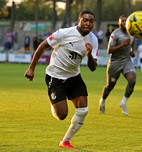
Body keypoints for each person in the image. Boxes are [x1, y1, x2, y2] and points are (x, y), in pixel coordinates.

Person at [24, 10, 98, 149]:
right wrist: (31, 68)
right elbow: (43, 45)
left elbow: (93, 67)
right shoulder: (64, 33)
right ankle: (54, 102)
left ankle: (65, 141)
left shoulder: (93, 40)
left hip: (74, 76)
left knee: (83, 110)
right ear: (79, 21)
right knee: (62, 115)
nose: (88, 23)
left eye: (91, 21)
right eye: (85, 20)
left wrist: (89, 55)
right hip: (55, 76)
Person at [99, 15, 136, 115]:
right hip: (115, 63)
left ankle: (123, 103)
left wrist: (132, 52)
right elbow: (109, 50)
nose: (124, 22)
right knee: (110, 85)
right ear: (119, 23)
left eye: (126, 21)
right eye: (122, 21)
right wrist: (122, 44)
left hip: (127, 61)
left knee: (132, 80)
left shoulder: (132, 33)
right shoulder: (115, 34)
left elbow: (132, 44)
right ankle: (102, 100)